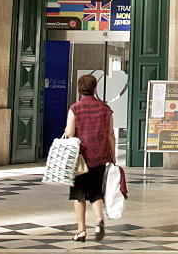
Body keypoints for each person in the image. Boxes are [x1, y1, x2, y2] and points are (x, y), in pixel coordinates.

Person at [64, 74, 115, 242]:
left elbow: (70, 133)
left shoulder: (75, 108)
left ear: (79, 89)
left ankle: (81, 230)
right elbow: (110, 134)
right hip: (100, 156)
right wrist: (113, 155)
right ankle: (99, 218)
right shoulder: (105, 109)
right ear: (95, 89)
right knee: (96, 191)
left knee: (79, 193)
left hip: (80, 158)